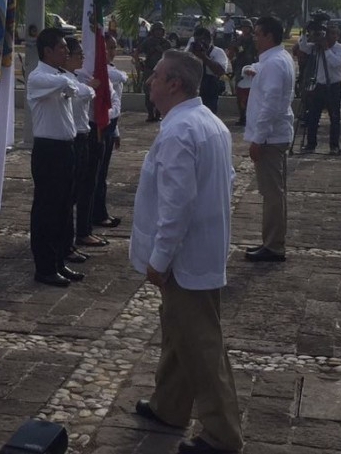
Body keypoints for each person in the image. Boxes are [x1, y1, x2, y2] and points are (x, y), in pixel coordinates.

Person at [130, 49, 243, 454]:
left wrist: (159, 258)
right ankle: (169, 405)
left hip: (185, 256)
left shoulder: (181, 130)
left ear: (174, 84)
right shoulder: (206, 121)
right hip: (201, 249)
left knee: (201, 344)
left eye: (156, 75)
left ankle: (222, 435)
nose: (149, 81)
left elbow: (176, 204)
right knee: (179, 330)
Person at [27, 28, 89, 287]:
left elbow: (77, 88)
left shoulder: (58, 75)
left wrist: (69, 83)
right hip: (48, 150)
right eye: (62, 48)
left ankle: (59, 259)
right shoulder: (38, 77)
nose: (66, 52)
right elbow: (69, 85)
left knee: (64, 207)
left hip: (66, 148)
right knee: (47, 210)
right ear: (47, 51)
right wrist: (67, 82)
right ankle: (44, 267)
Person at [242, 16, 294, 263]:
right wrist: (250, 69)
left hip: (270, 138)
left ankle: (273, 245)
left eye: (258, 34)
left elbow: (271, 103)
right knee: (274, 192)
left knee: (272, 193)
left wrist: (258, 139)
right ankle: (272, 241)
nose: (254, 38)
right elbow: (259, 68)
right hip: (275, 135)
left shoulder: (274, 63)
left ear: (269, 36)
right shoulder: (277, 59)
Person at [65, 38, 104, 263]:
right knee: (69, 195)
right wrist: (91, 87)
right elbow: (83, 93)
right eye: (78, 54)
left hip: (85, 134)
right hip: (74, 137)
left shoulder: (76, 78)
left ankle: (78, 233)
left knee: (86, 185)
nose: (82, 58)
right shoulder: (66, 80)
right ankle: (69, 240)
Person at [92, 33, 129, 230]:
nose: (111, 52)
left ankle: (99, 212)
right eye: (107, 48)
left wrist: (116, 131)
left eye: (114, 47)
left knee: (102, 172)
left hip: (111, 122)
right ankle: (97, 214)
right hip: (101, 122)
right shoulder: (102, 71)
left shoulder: (109, 69)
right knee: (97, 173)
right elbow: (121, 76)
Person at [296, 23, 341, 154]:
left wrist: (326, 49)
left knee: (334, 117)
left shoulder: (340, 49)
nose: (332, 36)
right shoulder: (316, 47)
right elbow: (303, 47)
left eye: (335, 33)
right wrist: (305, 33)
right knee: (313, 116)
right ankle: (311, 144)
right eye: (329, 33)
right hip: (318, 86)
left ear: (338, 35)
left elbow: (335, 63)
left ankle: (334, 146)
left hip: (333, 87)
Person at [185, 27, 230, 114]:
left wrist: (204, 57)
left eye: (202, 41)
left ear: (209, 40)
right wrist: (190, 53)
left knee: (209, 113)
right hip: (195, 86)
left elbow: (221, 72)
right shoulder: (191, 51)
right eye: (197, 41)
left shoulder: (217, 52)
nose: (200, 44)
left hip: (211, 88)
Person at [134, 22, 171, 122]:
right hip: (149, 70)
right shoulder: (148, 41)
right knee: (148, 92)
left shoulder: (166, 43)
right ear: (153, 31)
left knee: (162, 92)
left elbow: (171, 57)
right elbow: (137, 51)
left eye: (160, 30)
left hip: (162, 71)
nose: (158, 32)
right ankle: (150, 114)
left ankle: (158, 114)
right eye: (156, 30)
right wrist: (137, 63)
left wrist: (161, 50)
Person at [229, 20, 258, 127]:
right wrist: (233, 46)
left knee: (252, 94)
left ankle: (250, 117)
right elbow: (232, 54)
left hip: (251, 67)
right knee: (240, 95)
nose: (245, 29)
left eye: (247, 27)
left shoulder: (254, 39)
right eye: (243, 27)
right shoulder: (238, 39)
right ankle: (242, 117)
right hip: (240, 68)